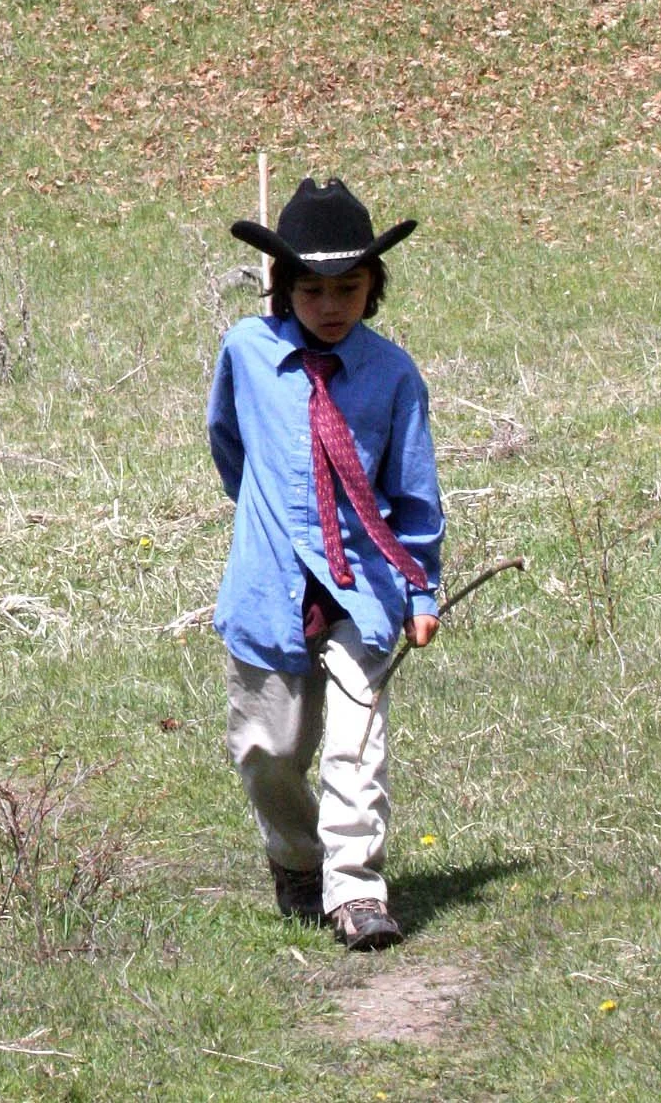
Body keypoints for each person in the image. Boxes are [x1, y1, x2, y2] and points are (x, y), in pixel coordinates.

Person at [206, 176, 444, 951]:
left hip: (364, 588)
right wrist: (269, 516)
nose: (330, 305)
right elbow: (229, 445)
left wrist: (420, 590)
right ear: (283, 287)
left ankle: (356, 891)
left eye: (348, 288)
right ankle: (298, 861)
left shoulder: (394, 374)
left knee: (354, 744)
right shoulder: (247, 352)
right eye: (312, 290)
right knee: (268, 751)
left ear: (374, 286)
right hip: (269, 581)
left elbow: (414, 492)